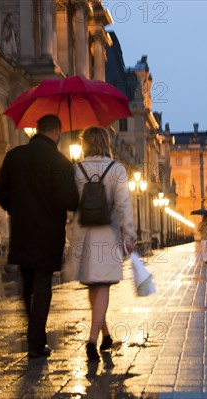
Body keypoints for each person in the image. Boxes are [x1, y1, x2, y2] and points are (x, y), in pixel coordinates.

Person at [0, 115, 79, 359]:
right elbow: (70, 202)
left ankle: (33, 335)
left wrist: (16, 208)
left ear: (38, 130)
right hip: (49, 233)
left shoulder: (15, 156)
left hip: (21, 230)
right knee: (42, 286)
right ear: (57, 133)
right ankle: (36, 342)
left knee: (26, 283)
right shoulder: (60, 162)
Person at [63, 127, 136, 362]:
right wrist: (129, 236)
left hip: (83, 236)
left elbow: (70, 205)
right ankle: (92, 341)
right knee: (102, 286)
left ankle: (106, 335)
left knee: (93, 286)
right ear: (106, 143)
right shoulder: (116, 170)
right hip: (108, 236)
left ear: (85, 144)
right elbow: (123, 205)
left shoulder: (76, 169)